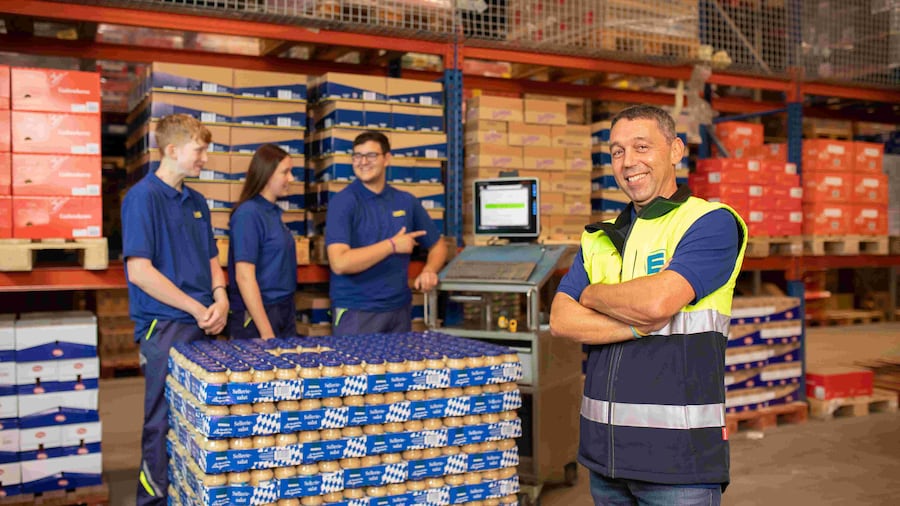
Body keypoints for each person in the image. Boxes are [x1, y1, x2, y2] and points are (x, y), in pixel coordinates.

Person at [549, 105, 747, 505]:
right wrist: (637, 324)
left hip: (678, 464)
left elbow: (658, 301)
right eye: (618, 151)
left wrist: (592, 295)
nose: (628, 162)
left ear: (675, 150)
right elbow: (561, 319)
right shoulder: (598, 238)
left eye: (642, 146)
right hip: (604, 460)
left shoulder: (708, 222)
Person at [121, 114, 228, 505]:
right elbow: (140, 272)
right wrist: (196, 308)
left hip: (202, 323)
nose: (205, 158)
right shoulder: (142, 199)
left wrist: (221, 297)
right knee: (161, 422)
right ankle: (151, 501)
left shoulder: (196, 200)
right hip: (165, 327)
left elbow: (212, 257)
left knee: (195, 419)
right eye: (200, 150)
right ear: (172, 150)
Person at [325, 130, 447, 336]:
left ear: (387, 159)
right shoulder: (343, 202)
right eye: (357, 156)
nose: (363, 162)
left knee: (397, 368)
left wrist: (430, 270)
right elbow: (340, 263)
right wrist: (391, 246)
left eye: (371, 155)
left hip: (399, 310)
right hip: (357, 312)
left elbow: (438, 245)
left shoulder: (406, 201)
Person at [226, 143, 297, 339]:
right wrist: (267, 333)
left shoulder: (273, 213)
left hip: (283, 309)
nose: (291, 178)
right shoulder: (248, 214)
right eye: (285, 172)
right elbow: (244, 277)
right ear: (267, 174)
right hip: (258, 316)